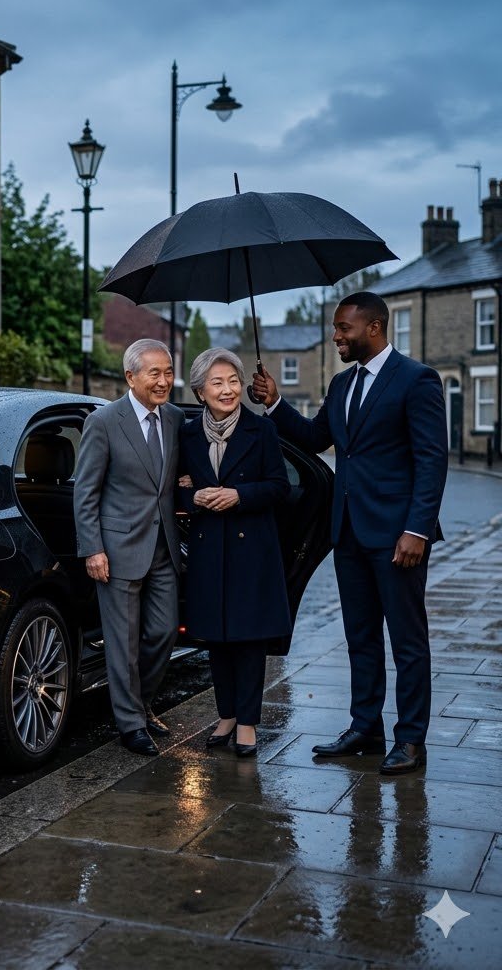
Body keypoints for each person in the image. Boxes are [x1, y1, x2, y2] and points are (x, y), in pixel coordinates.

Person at [251, 291, 448, 775]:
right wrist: (275, 403)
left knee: (407, 641)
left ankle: (411, 740)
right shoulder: (341, 384)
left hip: (398, 535)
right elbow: (318, 438)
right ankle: (366, 728)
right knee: (359, 637)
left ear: (374, 327)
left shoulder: (416, 380)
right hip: (350, 533)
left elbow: (431, 460)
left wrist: (417, 530)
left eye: (344, 328)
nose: (336, 336)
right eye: (336, 328)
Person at [179, 348, 291, 758]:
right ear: (199, 391)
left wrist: (238, 495)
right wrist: (195, 496)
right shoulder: (188, 433)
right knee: (216, 638)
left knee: (247, 639)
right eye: (216, 383)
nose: (227, 390)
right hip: (210, 549)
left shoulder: (261, 431)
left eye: (232, 381)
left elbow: (280, 486)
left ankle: (246, 723)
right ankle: (225, 714)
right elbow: (177, 487)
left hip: (251, 551)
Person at [74, 339, 184, 756]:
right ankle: (131, 724)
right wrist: (93, 549)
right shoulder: (103, 422)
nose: (163, 381)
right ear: (130, 377)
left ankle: (142, 703)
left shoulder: (174, 418)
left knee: (163, 631)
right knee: (121, 641)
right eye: (154, 373)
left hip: (163, 548)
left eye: (168, 372)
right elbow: (86, 491)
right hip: (117, 551)